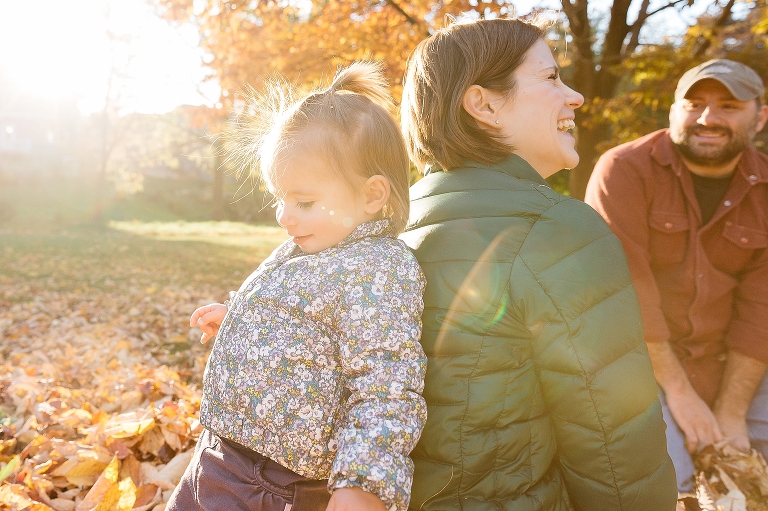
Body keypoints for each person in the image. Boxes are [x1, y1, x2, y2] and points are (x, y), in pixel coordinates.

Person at [398, 17, 677, 511]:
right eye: (551, 78)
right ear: (482, 104)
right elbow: (613, 439)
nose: (576, 97)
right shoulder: (557, 230)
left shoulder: (397, 226)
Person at [166, 62, 428, 511]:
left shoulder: (379, 269)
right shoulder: (312, 246)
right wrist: (243, 321)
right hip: (218, 456)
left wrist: (362, 485)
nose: (284, 215)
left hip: (275, 486)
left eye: (303, 201)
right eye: (279, 198)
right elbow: (298, 321)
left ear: (371, 195)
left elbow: (386, 386)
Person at [585, 59, 768, 491]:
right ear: (672, 111)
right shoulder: (623, 170)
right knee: (667, 482)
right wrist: (681, 396)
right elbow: (625, 294)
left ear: (760, 117)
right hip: (638, 365)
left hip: (736, 365)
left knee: (751, 471)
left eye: (728, 105)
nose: (708, 118)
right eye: (694, 104)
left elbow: (762, 307)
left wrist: (730, 409)